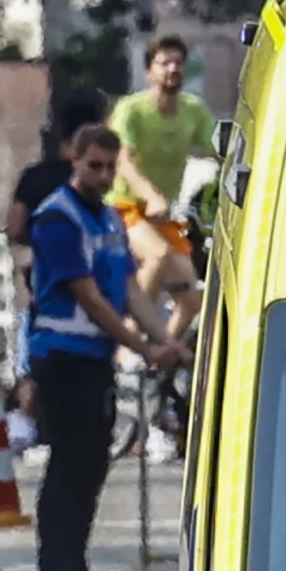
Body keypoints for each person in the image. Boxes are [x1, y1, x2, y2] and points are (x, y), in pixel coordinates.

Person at [26, 123, 184, 571]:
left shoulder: (110, 221)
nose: (100, 175)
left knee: (92, 466)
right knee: (68, 468)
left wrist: (166, 341)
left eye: (109, 168)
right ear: (74, 160)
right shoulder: (58, 219)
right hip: (62, 357)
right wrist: (140, 346)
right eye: (93, 165)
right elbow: (89, 298)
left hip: (93, 360)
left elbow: (130, 291)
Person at [107, 36, 215, 346]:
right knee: (159, 255)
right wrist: (152, 195)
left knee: (192, 299)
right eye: (164, 63)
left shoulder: (193, 110)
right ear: (149, 72)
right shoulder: (131, 110)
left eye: (179, 63)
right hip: (126, 210)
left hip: (162, 217)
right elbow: (124, 161)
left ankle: (160, 356)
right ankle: (128, 338)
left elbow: (219, 149)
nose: (173, 69)